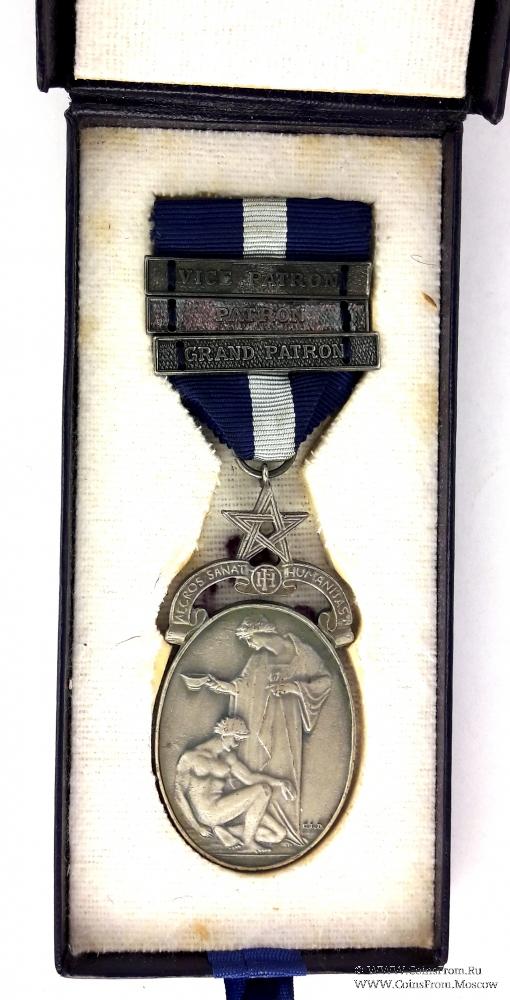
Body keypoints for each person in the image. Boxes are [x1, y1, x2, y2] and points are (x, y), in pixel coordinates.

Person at [181, 616, 331, 845]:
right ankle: (250, 824)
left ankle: (283, 825)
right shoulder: (257, 659)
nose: (249, 644)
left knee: (283, 765)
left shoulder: (302, 652)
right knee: (256, 768)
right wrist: (219, 685)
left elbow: (325, 682)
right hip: (258, 724)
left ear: (264, 631)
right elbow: (242, 687)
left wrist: (294, 687)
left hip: (285, 724)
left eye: (250, 638)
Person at [174, 716, 295, 852]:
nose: (236, 745)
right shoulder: (190, 758)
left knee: (278, 834)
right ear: (225, 734)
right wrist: (196, 827)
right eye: (236, 739)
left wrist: (280, 782)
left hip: (223, 809)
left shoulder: (227, 757)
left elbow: (249, 778)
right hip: (207, 813)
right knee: (263, 790)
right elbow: (178, 794)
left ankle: (226, 831)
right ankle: (248, 843)